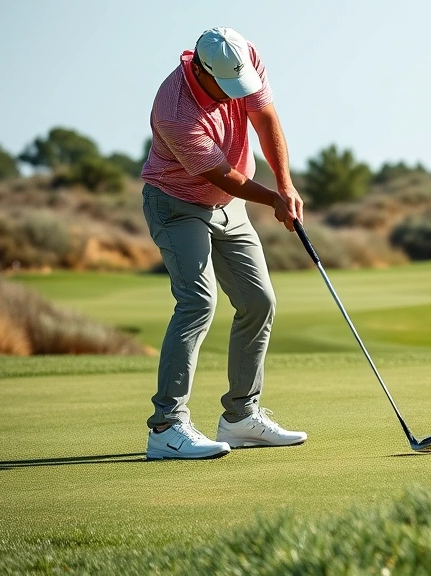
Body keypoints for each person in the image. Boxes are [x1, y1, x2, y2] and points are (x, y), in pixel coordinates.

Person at [141, 26, 307, 460]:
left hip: (228, 207)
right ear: (200, 69)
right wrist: (273, 198)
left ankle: (240, 417)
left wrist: (286, 185)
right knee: (198, 303)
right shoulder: (175, 110)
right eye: (225, 87)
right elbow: (222, 175)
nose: (235, 95)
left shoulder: (242, 55)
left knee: (259, 301)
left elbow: (266, 118)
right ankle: (167, 427)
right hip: (176, 203)